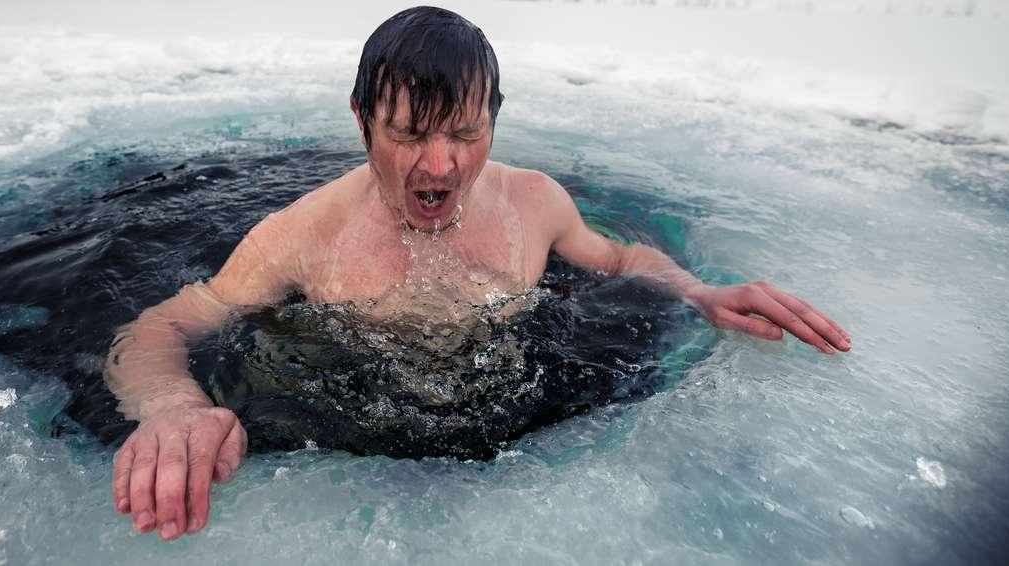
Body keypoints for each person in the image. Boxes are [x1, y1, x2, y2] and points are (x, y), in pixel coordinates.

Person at [105, 6, 851, 541]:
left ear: (493, 116)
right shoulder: (300, 235)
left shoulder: (534, 202)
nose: (442, 165)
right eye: (407, 135)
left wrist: (698, 289)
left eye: (466, 132)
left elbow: (618, 258)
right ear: (362, 121)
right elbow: (163, 324)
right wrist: (173, 406)